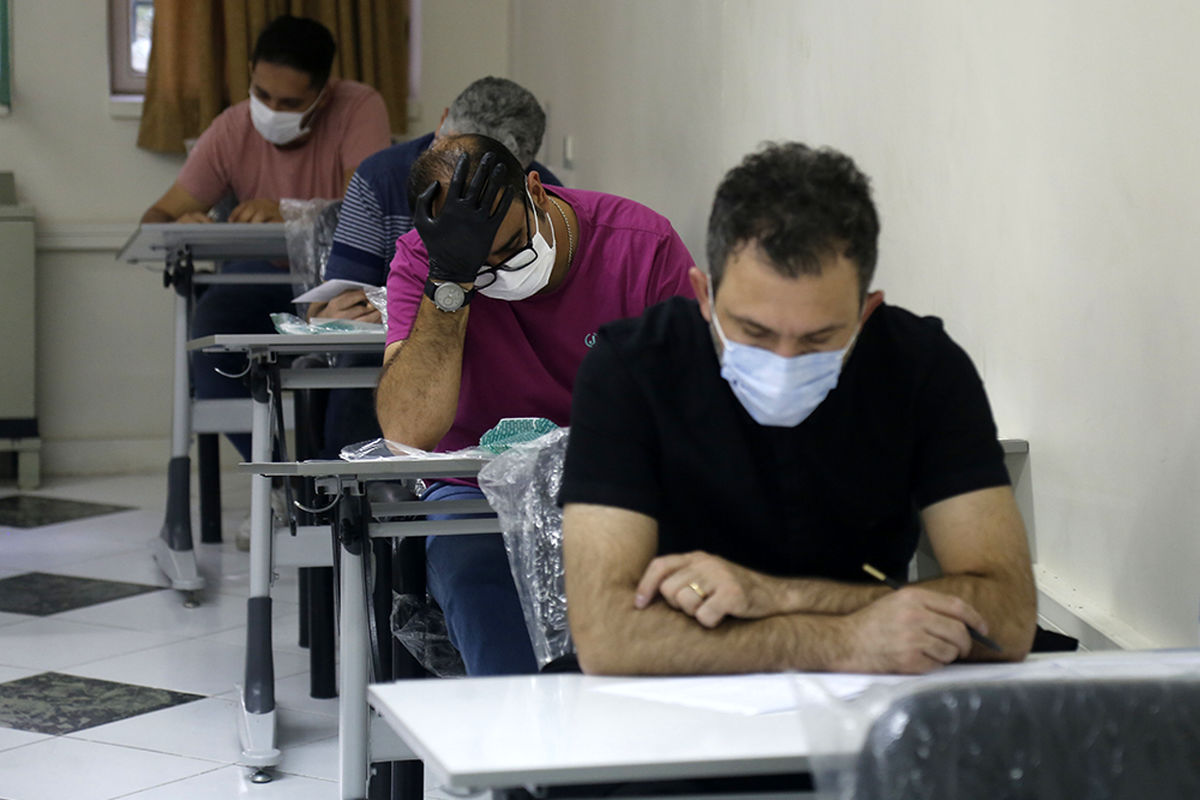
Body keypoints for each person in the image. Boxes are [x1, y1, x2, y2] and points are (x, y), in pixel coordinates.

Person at [559, 142, 1037, 676]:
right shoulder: (631, 368)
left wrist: (771, 595)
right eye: (753, 332)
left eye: (819, 338)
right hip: (683, 703)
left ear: (866, 311)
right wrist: (844, 641)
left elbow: (1009, 615)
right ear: (704, 296)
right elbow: (607, 636)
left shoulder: (922, 367)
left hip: (874, 701)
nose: (783, 361)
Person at [375, 134, 695, 675]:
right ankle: (528, 751)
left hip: (621, 486)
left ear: (536, 191)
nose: (501, 274)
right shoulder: (424, 265)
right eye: (482, 268)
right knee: (492, 612)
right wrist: (452, 284)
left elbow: (693, 411)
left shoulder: (640, 245)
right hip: (476, 497)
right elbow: (408, 432)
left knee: (660, 618)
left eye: (510, 250)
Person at [141, 14, 390, 461]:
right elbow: (157, 214)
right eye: (261, 94)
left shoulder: (359, 107)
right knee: (211, 330)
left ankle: (339, 487)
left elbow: (365, 203)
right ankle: (273, 480)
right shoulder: (232, 128)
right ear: (250, 74)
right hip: (260, 281)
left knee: (361, 347)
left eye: (291, 102)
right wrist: (185, 223)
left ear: (323, 93)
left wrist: (288, 210)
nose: (272, 111)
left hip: (341, 280)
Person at [309, 77, 561, 456]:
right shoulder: (380, 177)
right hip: (398, 340)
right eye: (454, 157)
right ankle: (361, 498)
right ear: (442, 125)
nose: (460, 189)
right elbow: (334, 304)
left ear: (524, 173)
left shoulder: (542, 195)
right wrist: (351, 310)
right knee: (369, 373)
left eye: (483, 181)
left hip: (498, 344)